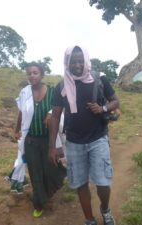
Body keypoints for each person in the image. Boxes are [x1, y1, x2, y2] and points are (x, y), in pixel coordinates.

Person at [49, 45, 119, 225]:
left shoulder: (99, 78)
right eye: (73, 61)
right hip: (73, 142)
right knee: (80, 183)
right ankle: (89, 220)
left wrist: (102, 108)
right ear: (67, 62)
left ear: (86, 60)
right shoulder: (62, 86)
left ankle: (105, 208)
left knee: (103, 182)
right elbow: (55, 116)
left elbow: (116, 101)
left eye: (80, 61)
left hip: (98, 138)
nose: (77, 65)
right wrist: (53, 147)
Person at [14, 62, 66, 218]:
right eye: (29, 73)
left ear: (42, 75)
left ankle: (49, 191)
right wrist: (16, 129)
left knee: (50, 169)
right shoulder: (24, 92)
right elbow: (21, 113)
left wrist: (51, 113)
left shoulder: (52, 92)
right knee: (35, 173)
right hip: (30, 140)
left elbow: (60, 110)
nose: (32, 76)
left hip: (48, 140)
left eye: (35, 73)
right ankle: (40, 202)